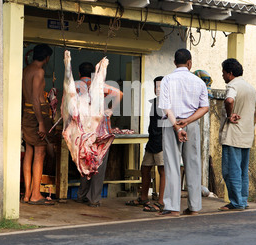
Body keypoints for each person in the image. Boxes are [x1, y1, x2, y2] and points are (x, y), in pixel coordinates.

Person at [158, 48, 209, 217]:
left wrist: (178, 127)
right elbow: (205, 107)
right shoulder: (199, 82)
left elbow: (166, 107)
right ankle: (194, 208)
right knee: (193, 164)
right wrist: (187, 122)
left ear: (174, 62)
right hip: (192, 124)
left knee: (172, 165)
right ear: (189, 63)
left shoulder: (167, 80)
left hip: (170, 123)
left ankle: (173, 208)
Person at [75, 61, 123, 207]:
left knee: (84, 162)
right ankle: (94, 199)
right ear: (94, 74)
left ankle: (81, 195)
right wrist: (110, 110)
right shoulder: (100, 87)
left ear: (79, 73)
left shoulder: (75, 85)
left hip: (83, 133)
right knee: (99, 164)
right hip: (101, 133)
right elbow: (120, 94)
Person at [218, 58, 256, 211]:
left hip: (233, 134)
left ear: (230, 73)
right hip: (246, 134)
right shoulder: (250, 87)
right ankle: (243, 200)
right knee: (242, 170)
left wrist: (230, 114)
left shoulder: (232, 85)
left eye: (224, 73)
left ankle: (236, 202)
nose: (223, 76)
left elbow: (229, 100)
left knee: (230, 170)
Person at [21, 44, 56, 205]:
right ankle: (36, 194)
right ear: (46, 58)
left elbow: (27, 98)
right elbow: (36, 98)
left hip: (27, 113)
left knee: (29, 151)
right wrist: (42, 122)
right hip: (38, 114)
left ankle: (27, 193)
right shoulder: (39, 72)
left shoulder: (26, 70)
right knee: (40, 153)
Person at [126, 76, 166, 212]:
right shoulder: (155, 102)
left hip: (162, 142)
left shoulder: (168, 104)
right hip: (152, 141)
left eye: (161, 87)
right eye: (156, 87)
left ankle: (161, 201)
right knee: (145, 168)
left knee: (162, 171)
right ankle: (143, 197)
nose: (158, 89)